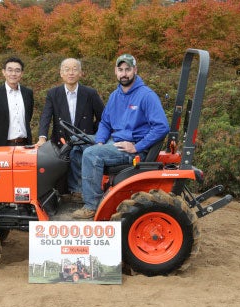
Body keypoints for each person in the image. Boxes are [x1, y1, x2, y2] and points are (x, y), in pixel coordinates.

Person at [71, 54, 170, 220]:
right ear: (116, 72)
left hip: (132, 149)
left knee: (91, 154)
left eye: (128, 69)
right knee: (76, 144)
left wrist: (137, 147)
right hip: (114, 142)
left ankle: (91, 206)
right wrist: (100, 141)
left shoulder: (146, 96)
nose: (124, 74)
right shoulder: (115, 96)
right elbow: (105, 123)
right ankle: (80, 192)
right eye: (120, 70)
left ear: (135, 70)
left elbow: (161, 127)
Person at [36, 58, 104, 203]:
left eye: (74, 69)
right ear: (61, 73)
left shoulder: (90, 93)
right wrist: (42, 137)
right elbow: (46, 117)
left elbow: (102, 117)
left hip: (83, 141)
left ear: (81, 73)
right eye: (67, 69)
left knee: (82, 167)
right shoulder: (53, 93)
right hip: (61, 140)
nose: (71, 73)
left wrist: (94, 135)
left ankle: (82, 195)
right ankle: (60, 196)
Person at [0, 57, 34, 147]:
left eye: (17, 71)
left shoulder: (28, 93)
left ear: (22, 73)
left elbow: (28, 117)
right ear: (4, 72)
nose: (13, 74)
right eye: (10, 70)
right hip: (1, 145)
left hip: (24, 145)